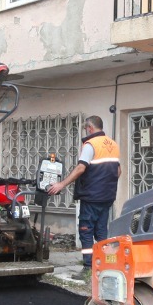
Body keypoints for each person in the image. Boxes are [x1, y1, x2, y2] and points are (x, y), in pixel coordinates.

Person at [47, 115, 120, 268]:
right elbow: (118, 171)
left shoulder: (90, 144)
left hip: (92, 196)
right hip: (107, 196)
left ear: (90, 128)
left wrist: (61, 184)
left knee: (86, 229)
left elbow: (81, 168)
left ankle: (89, 265)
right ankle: (103, 263)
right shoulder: (113, 144)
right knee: (101, 231)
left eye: (86, 129)